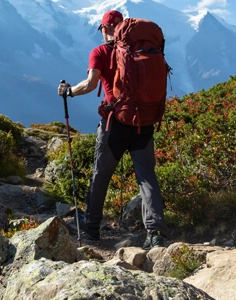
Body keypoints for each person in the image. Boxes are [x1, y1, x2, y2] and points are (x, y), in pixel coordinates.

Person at [57, 9, 169, 250]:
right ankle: (155, 232)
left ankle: (91, 229)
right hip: (145, 123)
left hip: (115, 124)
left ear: (105, 28)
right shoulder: (146, 49)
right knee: (147, 178)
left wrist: (68, 91)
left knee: (100, 176)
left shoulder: (100, 51)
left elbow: (90, 84)